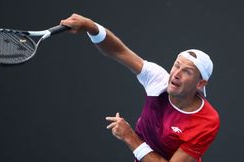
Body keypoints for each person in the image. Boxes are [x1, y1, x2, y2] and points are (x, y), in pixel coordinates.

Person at [60, 13, 220, 162]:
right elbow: (118, 51)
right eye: (176, 66)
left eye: (187, 71)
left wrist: (130, 137)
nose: (176, 74)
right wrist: (91, 26)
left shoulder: (207, 121)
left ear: (200, 83)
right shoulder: (158, 79)